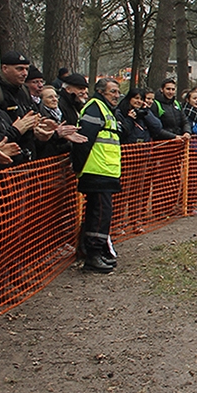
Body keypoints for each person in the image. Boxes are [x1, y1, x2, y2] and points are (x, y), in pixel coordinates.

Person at [71, 78, 123, 273]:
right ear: (101, 92)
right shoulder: (95, 108)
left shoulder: (107, 110)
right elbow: (83, 140)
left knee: (102, 213)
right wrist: (79, 166)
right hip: (95, 170)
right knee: (99, 213)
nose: (117, 96)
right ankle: (93, 254)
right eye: (113, 92)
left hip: (105, 171)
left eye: (118, 92)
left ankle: (98, 251)